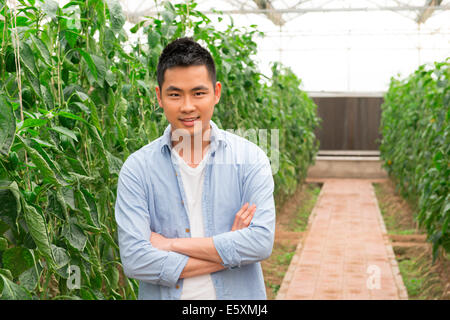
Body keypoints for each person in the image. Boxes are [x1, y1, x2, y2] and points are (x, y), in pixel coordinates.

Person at [114, 37, 275, 300]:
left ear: (217, 93)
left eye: (199, 93)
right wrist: (230, 251)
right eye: (175, 94)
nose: (187, 106)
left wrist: (169, 245)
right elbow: (136, 260)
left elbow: (259, 243)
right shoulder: (137, 169)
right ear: (159, 97)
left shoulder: (250, 159)